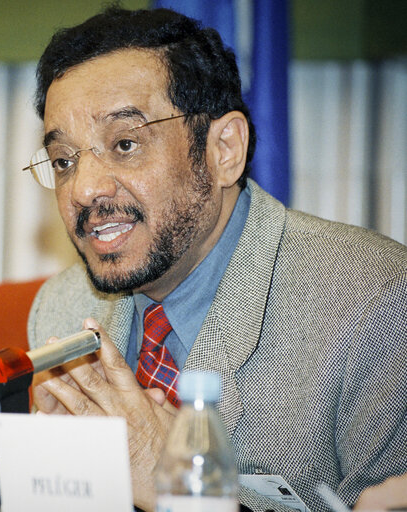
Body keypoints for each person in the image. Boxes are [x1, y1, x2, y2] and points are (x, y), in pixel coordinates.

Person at [23, 7, 407, 512]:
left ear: (224, 148)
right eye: (64, 161)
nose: (85, 188)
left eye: (125, 143)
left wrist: (187, 488)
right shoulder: (61, 309)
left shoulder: (372, 299)